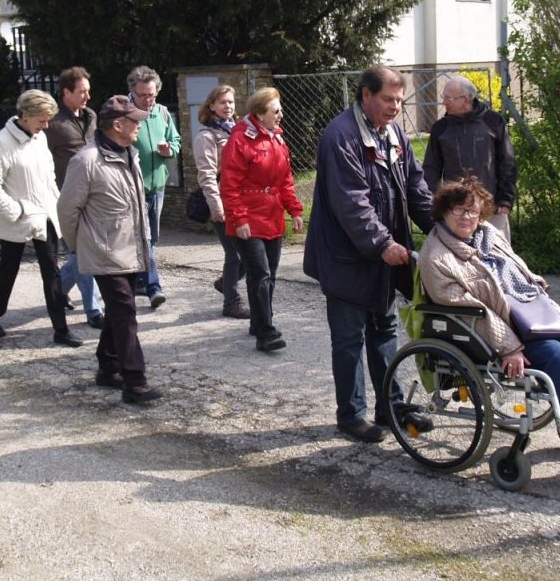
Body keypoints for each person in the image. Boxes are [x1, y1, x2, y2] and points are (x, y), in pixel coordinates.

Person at [420, 176, 560, 463]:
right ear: (443, 212)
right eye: (459, 210)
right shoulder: (436, 256)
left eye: (473, 210)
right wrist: (509, 347)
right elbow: (472, 311)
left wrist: (533, 282)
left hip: (529, 313)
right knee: (557, 357)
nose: (467, 217)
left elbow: (514, 264)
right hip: (497, 328)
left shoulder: (488, 233)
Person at [304, 65, 434, 443]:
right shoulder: (341, 136)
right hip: (348, 260)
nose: (395, 107)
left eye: (399, 100)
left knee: (384, 333)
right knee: (349, 340)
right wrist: (382, 243)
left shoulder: (393, 134)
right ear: (365, 95)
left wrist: (442, 228)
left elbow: (415, 187)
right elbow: (352, 204)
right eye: (388, 99)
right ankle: (351, 415)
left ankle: (389, 407)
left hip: (383, 259)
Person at [57, 95, 162, 404]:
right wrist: (80, 246)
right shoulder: (86, 161)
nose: (140, 127)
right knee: (126, 313)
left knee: (120, 311)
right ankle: (135, 382)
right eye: (135, 122)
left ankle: (107, 366)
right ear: (118, 125)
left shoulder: (129, 153)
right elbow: (67, 210)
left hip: (128, 248)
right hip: (105, 252)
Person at [0, 89, 83, 348]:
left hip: (45, 216)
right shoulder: (2, 142)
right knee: (8, 268)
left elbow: (49, 179)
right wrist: (16, 211)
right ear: (25, 116)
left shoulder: (39, 139)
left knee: (52, 273)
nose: (46, 126)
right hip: (18, 219)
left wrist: (59, 209)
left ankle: (61, 330)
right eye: (42, 120)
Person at [220, 87, 303, 352]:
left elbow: (285, 181)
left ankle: (259, 322)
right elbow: (229, 185)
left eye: (279, 109)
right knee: (260, 274)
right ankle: (265, 332)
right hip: (248, 218)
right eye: (275, 111)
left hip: (272, 216)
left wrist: (295, 210)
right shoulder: (240, 139)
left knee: (270, 274)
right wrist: (240, 218)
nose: (281, 115)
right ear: (259, 113)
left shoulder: (277, 139)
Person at [44, 66, 104, 330]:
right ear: (66, 92)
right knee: (84, 254)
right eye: (81, 92)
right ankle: (94, 311)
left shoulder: (91, 116)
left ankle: (58, 288)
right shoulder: (53, 124)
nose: (87, 97)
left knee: (82, 255)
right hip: (66, 198)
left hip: (93, 196)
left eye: (88, 92)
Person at [423, 75, 517, 242]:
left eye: (448, 98)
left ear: (466, 99)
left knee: (497, 256)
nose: (444, 102)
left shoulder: (493, 121)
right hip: (455, 209)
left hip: (492, 208)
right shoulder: (440, 128)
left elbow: (507, 162)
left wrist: (506, 200)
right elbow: (431, 167)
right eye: (444, 98)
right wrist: (433, 200)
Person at [127, 65, 181, 310]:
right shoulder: (123, 112)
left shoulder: (162, 113)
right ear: (132, 92)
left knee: (153, 238)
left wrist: (169, 149)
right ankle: (153, 287)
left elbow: (176, 140)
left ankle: (139, 280)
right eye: (142, 95)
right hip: (132, 189)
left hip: (157, 186)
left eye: (151, 95)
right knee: (145, 239)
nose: (148, 100)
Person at [193, 84, 248, 319]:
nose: (228, 106)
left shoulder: (239, 131)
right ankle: (231, 302)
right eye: (223, 102)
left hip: (243, 200)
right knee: (234, 253)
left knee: (250, 253)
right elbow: (206, 174)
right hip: (223, 202)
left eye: (231, 102)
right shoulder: (207, 136)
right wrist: (217, 207)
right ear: (212, 106)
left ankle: (226, 283)